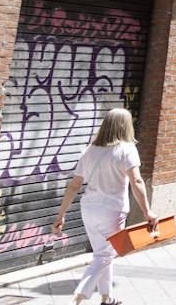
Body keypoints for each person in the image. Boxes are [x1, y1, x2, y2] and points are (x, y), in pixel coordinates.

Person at [52, 108, 157, 305]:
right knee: (106, 255)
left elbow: (74, 185)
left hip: (89, 209)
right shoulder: (126, 149)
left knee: (103, 253)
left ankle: (106, 298)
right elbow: (137, 182)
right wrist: (147, 211)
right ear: (126, 126)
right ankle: (77, 297)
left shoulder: (89, 150)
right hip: (112, 210)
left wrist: (61, 215)